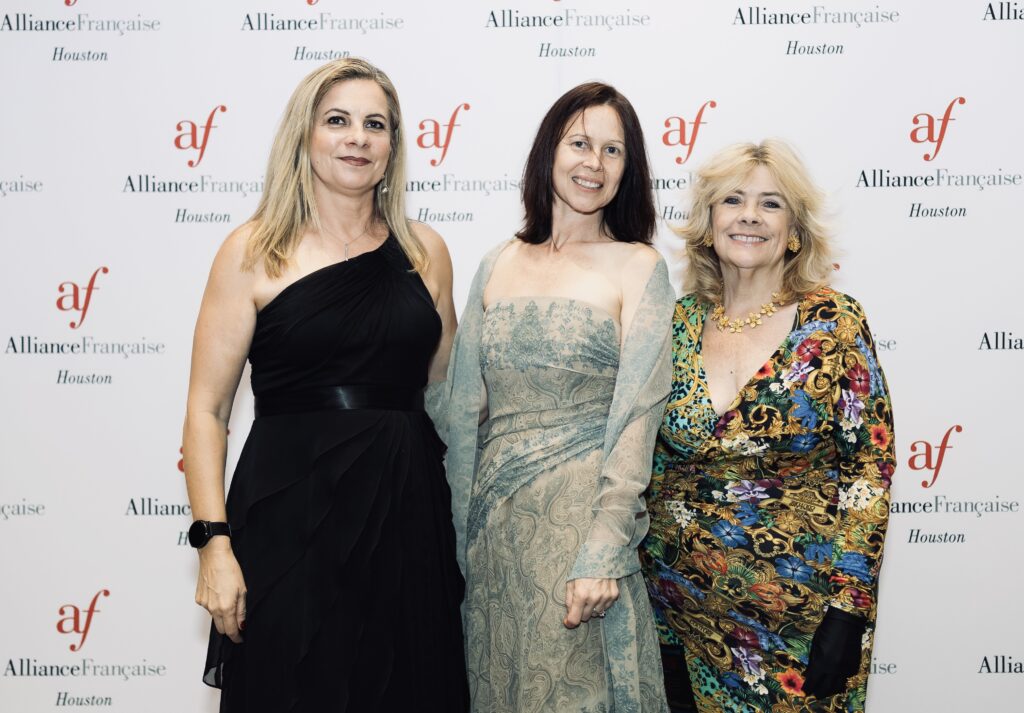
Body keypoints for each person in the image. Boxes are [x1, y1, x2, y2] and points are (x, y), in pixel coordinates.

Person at [181, 58, 468, 712]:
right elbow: (207, 409)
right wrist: (213, 543)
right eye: (337, 120)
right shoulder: (253, 250)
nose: (357, 138)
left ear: (393, 145)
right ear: (305, 136)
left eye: (375, 124)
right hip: (291, 517)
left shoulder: (425, 251)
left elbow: (448, 395)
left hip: (407, 514)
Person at [429, 82, 672, 712]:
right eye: (580, 143)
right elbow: (461, 408)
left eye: (613, 150)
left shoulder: (639, 267)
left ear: (629, 168)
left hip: (579, 535)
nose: (594, 163)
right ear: (549, 152)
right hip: (495, 535)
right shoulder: (498, 262)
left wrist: (606, 546)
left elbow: (637, 419)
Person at [640, 140, 895, 713]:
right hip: (675, 618)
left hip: (801, 621)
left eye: (770, 203)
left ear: (795, 231)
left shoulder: (833, 322)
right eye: (733, 200)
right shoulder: (676, 323)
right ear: (709, 223)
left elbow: (869, 471)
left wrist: (849, 609)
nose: (749, 215)